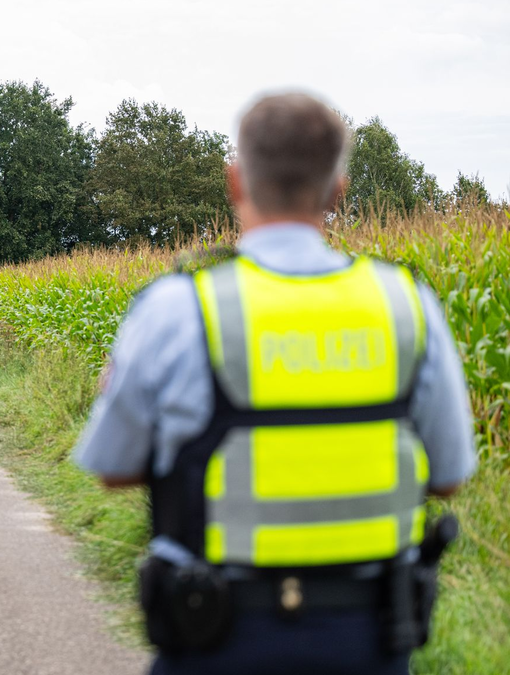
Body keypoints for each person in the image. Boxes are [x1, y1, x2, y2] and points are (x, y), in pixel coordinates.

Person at [73, 92, 475, 675]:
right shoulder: (407, 305)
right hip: (370, 641)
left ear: (236, 183)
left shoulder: (179, 308)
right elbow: (449, 478)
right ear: (337, 192)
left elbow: (113, 469)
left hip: (214, 637)